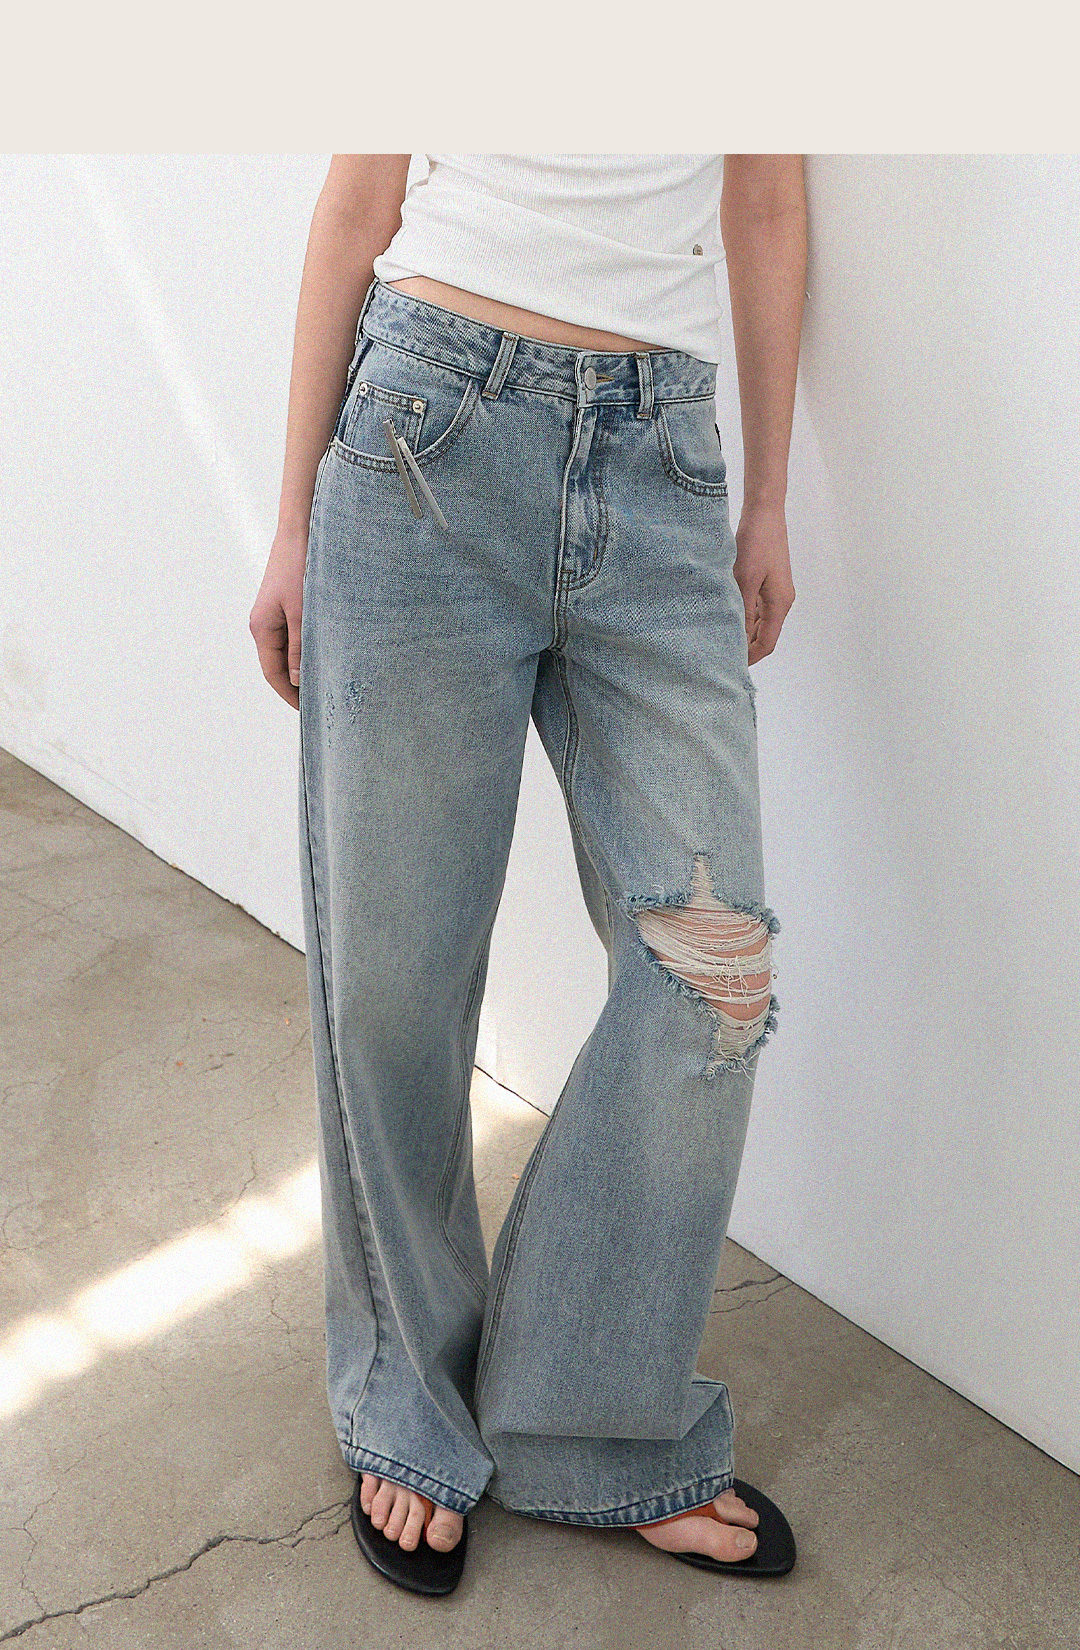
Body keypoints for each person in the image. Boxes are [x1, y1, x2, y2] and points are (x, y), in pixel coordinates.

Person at [249, 152, 804, 1597]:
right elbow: (360, 201)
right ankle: (406, 1395)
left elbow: (765, 200)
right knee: (397, 975)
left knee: (711, 973)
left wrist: (767, 499)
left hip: (662, 460)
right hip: (427, 429)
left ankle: (585, 1422)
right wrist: (293, 523)